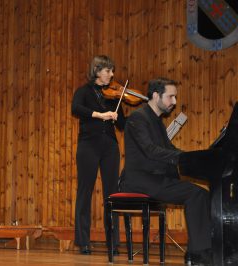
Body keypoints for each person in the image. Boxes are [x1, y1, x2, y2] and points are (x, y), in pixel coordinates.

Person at [120, 78, 212, 265]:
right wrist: (183, 158)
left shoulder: (156, 121)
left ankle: (202, 250)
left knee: (201, 194)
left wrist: (194, 158)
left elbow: (170, 148)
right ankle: (198, 255)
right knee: (196, 194)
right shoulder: (139, 118)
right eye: (171, 97)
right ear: (156, 95)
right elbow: (150, 150)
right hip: (140, 179)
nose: (174, 102)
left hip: (154, 178)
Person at [71, 55, 125, 255]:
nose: (111, 74)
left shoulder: (113, 96)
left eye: (112, 71)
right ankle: (83, 241)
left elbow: (122, 125)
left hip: (110, 146)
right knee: (85, 191)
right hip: (89, 145)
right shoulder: (83, 92)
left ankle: (113, 242)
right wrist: (100, 115)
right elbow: (75, 108)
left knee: (112, 194)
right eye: (108, 70)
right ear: (97, 71)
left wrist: (124, 116)